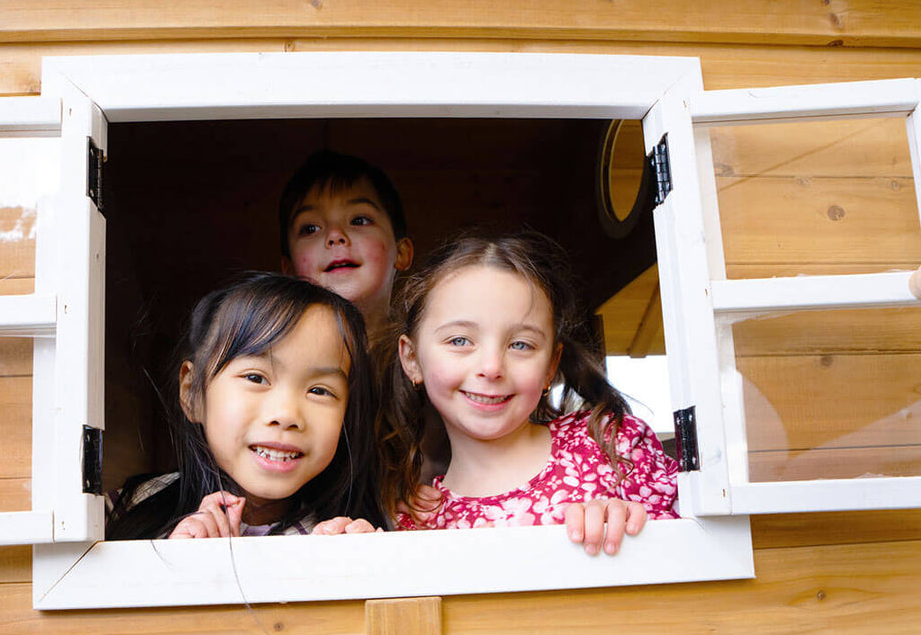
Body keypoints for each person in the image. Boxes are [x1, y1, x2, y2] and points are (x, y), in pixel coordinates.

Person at [378, 231, 678, 556]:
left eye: (521, 344)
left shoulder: (612, 446)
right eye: (460, 341)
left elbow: (711, 560)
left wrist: (643, 531)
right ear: (412, 359)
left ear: (551, 365)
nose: (492, 367)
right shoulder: (416, 523)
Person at [106, 272, 384, 540]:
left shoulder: (339, 537)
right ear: (193, 393)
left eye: (319, 391)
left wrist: (357, 570)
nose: (286, 415)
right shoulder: (120, 511)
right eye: (256, 377)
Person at [280, 149, 414, 343]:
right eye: (310, 228)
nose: (335, 236)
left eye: (359, 220)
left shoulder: (428, 354)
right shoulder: (277, 359)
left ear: (401, 253)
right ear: (289, 270)